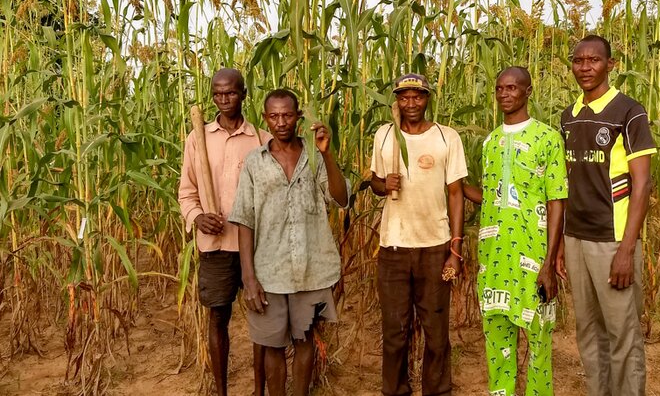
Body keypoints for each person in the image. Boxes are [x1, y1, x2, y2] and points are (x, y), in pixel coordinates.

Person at [228, 89, 349, 396]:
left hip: (312, 268)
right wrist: (249, 277)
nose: (281, 122)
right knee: (272, 346)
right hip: (270, 271)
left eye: (287, 115)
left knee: (305, 340)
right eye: (274, 116)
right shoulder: (255, 162)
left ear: (298, 118)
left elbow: (341, 197)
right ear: (265, 118)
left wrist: (327, 153)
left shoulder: (314, 156)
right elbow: (245, 220)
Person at [559, 35, 656, 396]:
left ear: (610, 65)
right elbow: (567, 183)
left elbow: (642, 184)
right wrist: (558, 249)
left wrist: (626, 250)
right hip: (576, 238)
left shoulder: (628, 111)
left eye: (594, 61)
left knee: (622, 334)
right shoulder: (568, 117)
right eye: (578, 61)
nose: (585, 68)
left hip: (612, 239)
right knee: (587, 331)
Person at [462, 66, 567, 396]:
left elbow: (556, 202)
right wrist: (457, 186)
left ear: (528, 91)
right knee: (497, 347)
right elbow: (492, 195)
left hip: (534, 259)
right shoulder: (490, 142)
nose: (505, 94)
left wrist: (549, 263)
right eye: (499, 89)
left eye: (512, 88)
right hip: (493, 262)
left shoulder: (547, 138)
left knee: (539, 345)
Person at [369, 73, 468, 396]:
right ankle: (395, 390)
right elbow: (374, 182)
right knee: (395, 332)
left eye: (418, 96)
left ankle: (437, 390)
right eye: (404, 97)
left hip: (434, 246)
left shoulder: (446, 137)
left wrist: (455, 246)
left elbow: (456, 193)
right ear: (396, 100)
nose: (411, 103)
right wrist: (385, 186)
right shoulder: (385, 136)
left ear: (428, 99)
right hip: (394, 247)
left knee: (436, 333)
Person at [178, 68, 269, 396]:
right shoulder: (197, 138)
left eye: (230, 93)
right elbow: (186, 191)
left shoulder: (261, 139)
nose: (223, 99)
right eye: (217, 94)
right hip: (215, 246)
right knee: (218, 316)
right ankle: (221, 391)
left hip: (256, 247)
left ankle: (260, 390)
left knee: (261, 320)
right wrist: (198, 216)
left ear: (244, 94)